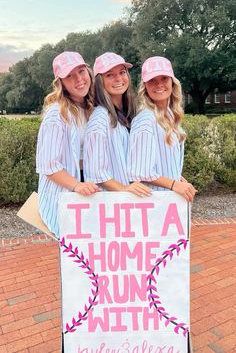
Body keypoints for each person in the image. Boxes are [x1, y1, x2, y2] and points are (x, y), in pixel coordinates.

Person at [36, 51, 99, 238]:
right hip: (66, 192)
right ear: (61, 83)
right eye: (69, 76)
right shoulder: (57, 114)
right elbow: (48, 165)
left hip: (87, 190)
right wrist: (76, 186)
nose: (78, 79)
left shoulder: (88, 108)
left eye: (81, 71)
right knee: (74, 255)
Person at [128, 56, 197, 202]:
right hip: (152, 203)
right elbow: (141, 172)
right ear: (145, 85)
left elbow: (164, 162)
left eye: (164, 78)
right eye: (152, 80)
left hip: (168, 201)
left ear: (172, 82)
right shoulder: (145, 120)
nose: (159, 84)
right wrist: (174, 184)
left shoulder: (170, 115)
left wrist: (177, 177)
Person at [83, 52, 151, 197]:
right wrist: (125, 189)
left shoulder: (130, 114)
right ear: (100, 81)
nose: (119, 78)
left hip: (132, 201)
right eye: (110, 75)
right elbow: (96, 172)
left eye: (122, 72)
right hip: (113, 205)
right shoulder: (100, 118)